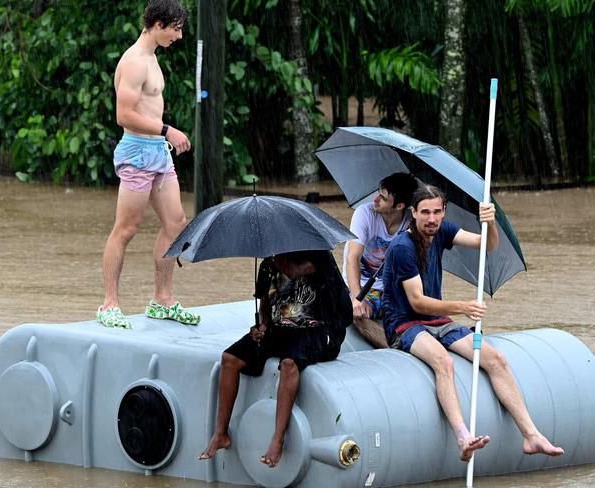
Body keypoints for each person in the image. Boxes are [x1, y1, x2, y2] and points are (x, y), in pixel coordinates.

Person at [381, 184, 564, 462]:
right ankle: (463, 437)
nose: (432, 219)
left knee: (496, 359)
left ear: (443, 212)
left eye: (437, 212)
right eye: (425, 213)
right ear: (413, 213)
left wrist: (490, 223)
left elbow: (487, 245)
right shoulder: (402, 247)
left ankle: (531, 435)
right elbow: (417, 302)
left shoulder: (442, 231)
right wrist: (463, 307)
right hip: (404, 323)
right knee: (444, 361)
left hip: (438, 320)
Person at [96, 0, 199, 329]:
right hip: (138, 152)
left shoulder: (153, 58)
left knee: (176, 222)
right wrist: (169, 129)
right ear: (158, 24)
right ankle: (109, 304)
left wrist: (163, 136)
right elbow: (123, 115)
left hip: (158, 151)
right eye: (177, 28)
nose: (179, 36)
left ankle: (162, 300)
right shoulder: (135, 61)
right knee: (126, 229)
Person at [199, 250, 352, 467]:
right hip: (281, 328)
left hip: (319, 329)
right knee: (230, 358)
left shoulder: (319, 257)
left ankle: (277, 439)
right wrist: (261, 326)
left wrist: (277, 257)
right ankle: (221, 433)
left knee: (289, 364)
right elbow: (265, 306)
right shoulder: (268, 264)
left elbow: (294, 271)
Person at [343, 172, 418, 348]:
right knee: (358, 314)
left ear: (400, 206)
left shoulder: (411, 224)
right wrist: (356, 298)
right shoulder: (364, 213)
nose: (375, 199)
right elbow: (352, 258)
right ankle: (394, 349)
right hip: (362, 286)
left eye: (383, 198)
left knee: (419, 308)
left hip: (393, 288)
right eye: (378, 193)